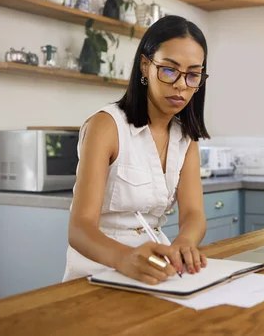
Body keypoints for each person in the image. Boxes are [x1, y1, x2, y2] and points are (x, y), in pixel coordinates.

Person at [63, 15, 210, 285]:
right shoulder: (106, 126)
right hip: (98, 268)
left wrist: (184, 243)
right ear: (145, 66)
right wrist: (124, 258)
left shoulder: (185, 137)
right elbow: (79, 229)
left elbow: (194, 214)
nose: (180, 84)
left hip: (157, 265)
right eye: (169, 70)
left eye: (193, 75)